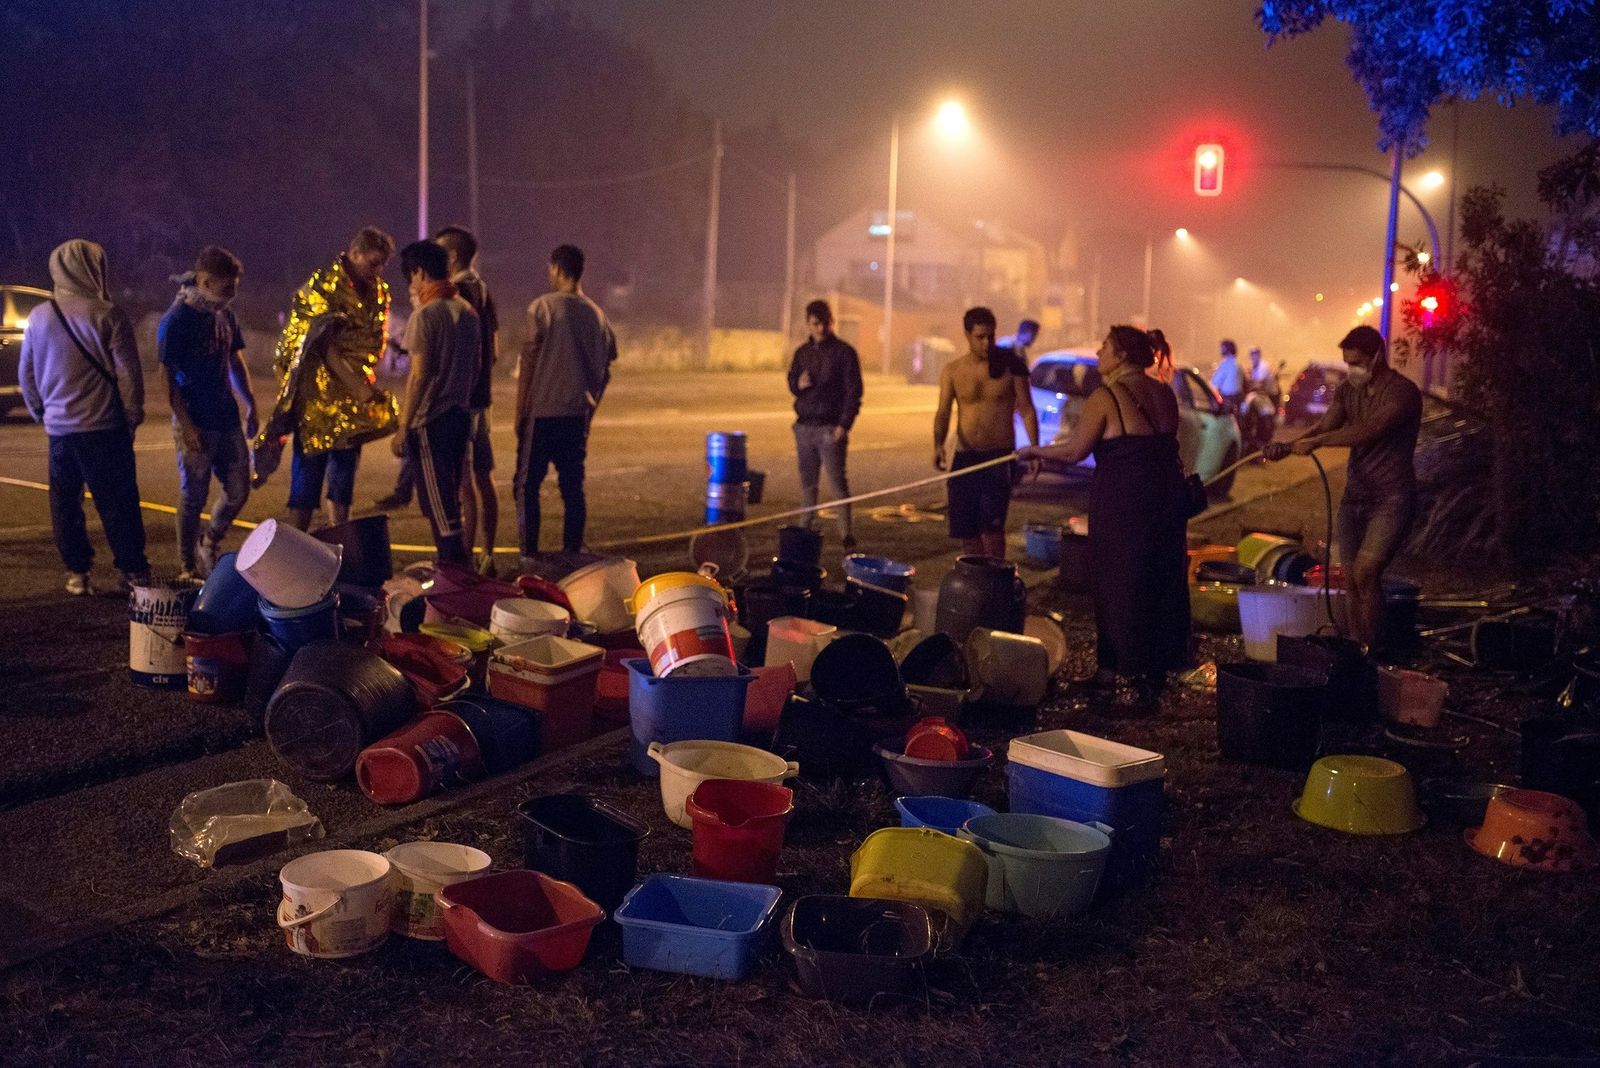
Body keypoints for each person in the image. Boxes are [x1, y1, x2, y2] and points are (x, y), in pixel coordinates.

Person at [1019, 326, 1190, 700]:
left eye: (1105, 348)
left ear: (1122, 356)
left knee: (1116, 581)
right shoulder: (1164, 393)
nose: (1099, 352)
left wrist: (1034, 452)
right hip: (1164, 502)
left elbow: (1074, 451)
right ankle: (1153, 670)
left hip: (1122, 503)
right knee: (1158, 578)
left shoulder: (1106, 396)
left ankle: (1115, 670)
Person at [1264, 325, 1422, 651]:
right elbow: (1326, 424)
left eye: (1358, 362)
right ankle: (1355, 648)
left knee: (1366, 573)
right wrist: (1288, 446)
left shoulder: (1402, 393)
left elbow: (1368, 430)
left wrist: (1317, 442)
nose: (1352, 369)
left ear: (1377, 356)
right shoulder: (1349, 390)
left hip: (1391, 497)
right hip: (1356, 496)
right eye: (1348, 362)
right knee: (1350, 579)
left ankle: (1374, 651)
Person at [18, 239, 151, 594]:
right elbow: (128, 374)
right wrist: (133, 415)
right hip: (104, 427)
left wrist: (40, 411)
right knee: (119, 502)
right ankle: (132, 570)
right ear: (95, 269)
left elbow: (26, 373)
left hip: (60, 432)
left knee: (65, 506)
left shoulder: (39, 316)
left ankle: (78, 573)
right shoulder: (108, 314)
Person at [257, 227, 399, 531]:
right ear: (355, 253)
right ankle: (297, 544)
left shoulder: (378, 290)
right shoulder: (325, 284)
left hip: (353, 395)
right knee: (308, 473)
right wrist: (355, 384)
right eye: (373, 263)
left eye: (382, 265)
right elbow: (319, 342)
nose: (378, 271)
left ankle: (340, 541)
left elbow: (371, 336)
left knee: (345, 473)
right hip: (318, 397)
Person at [158, 246, 257, 580]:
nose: (231, 295)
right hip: (196, 420)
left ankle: (209, 539)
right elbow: (166, 377)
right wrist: (187, 426)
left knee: (240, 488)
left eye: (234, 288)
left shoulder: (224, 314)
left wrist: (251, 403)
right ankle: (187, 565)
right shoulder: (177, 319)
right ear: (203, 280)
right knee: (194, 495)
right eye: (225, 287)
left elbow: (235, 361)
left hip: (226, 418)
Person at [515, 244, 618, 557]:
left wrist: (522, 411)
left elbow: (529, 360)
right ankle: (572, 550)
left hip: (543, 413)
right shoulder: (598, 315)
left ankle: (528, 553)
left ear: (557, 269)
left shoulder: (542, 308)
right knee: (572, 488)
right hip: (575, 415)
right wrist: (590, 409)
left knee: (527, 486)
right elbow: (606, 370)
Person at [392, 240, 480, 566]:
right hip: (459, 415)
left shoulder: (426, 315)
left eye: (410, 276)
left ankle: (454, 582)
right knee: (451, 502)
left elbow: (419, 376)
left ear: (419, 272)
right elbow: (476, 367)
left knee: (440, 511)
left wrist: (404, 427)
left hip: (431, 421)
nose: (411, 284)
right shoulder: (467, 311)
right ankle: (458, 573)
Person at [933, 306, 1039, 559]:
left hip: (998, 458)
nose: (987, 343)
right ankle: (975, 580)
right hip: (965, 457)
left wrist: (1035, 450)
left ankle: (995, 582)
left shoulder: (1011, 367)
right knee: (967, 531)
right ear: (967, 335)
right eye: (980, 337)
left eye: (990, 336)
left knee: (992, 529)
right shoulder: (953, 370)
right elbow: (944, 411)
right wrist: (937, 444)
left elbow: (1026, 409)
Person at [787, 299, 863, 548]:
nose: (820, 329)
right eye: (815, 324)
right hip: (805, 427)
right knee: (808, 485)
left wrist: (844, 424)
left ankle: (846, 537)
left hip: (830, 428)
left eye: (825, 323)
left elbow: (854, 391)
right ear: (808, 325)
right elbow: (791, 381)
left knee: (838, 484)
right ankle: (803, 533)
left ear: (831, 322)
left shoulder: (844, 353)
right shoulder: (802, 353)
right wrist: (798, 384)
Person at [1210, 338, 1244, 408]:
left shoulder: (1225, 364)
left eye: (1222, 347)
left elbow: (1215, 382)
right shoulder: (1238, 363)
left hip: (1227, 399)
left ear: (1226, 349)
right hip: (1238, 398)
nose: (1220, 350)